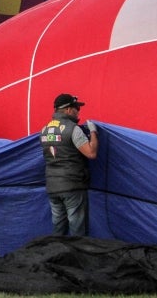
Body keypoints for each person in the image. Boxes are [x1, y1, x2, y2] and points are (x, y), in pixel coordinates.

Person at [40, 93, 98, 236]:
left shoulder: (44, 130)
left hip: (52, 187)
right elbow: (91, 153)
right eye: (76, 108)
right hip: (72, 186)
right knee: (77, 228)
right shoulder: (73, 129)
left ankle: (55, 255)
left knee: (58, 228)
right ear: (67, 110)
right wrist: (93, 132)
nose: (78, 111)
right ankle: (77, 257)